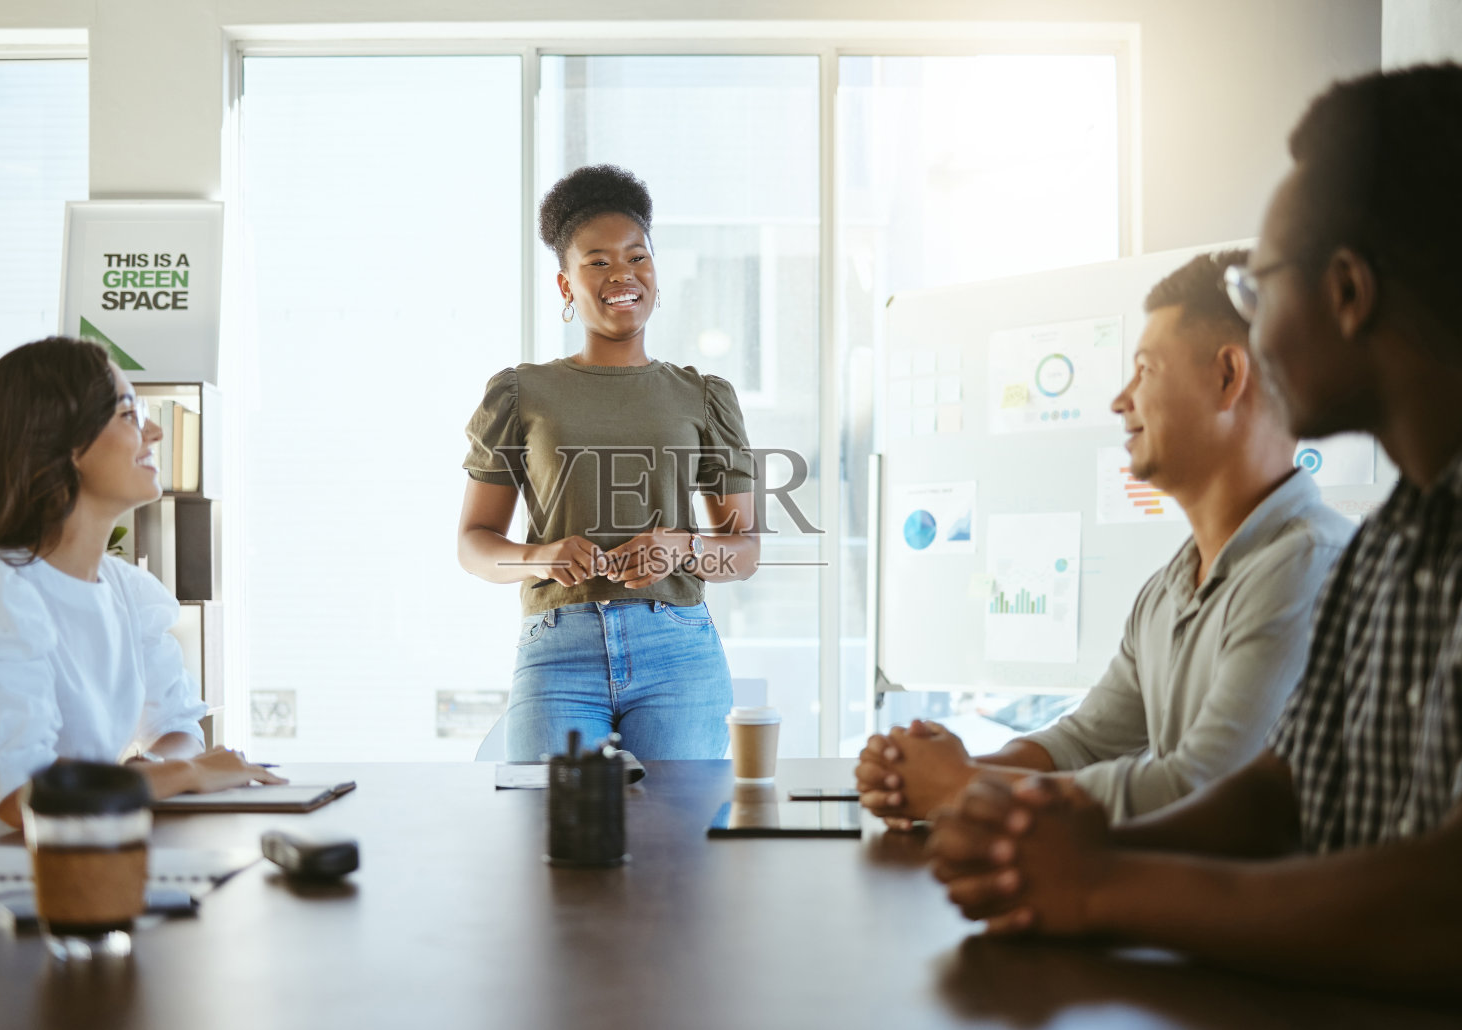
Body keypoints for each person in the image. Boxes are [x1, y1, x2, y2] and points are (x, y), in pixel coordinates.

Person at [926, 63, 1462, 996]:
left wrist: (1099, 882)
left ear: (1346, 292)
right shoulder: (1392, 545)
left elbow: (1443, 900)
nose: (1252, 341)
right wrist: (1058, 843)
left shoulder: (1326, 556)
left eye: (1259, 290)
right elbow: (1283, 793)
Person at [856, 251, 1352, 826]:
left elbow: (1200, 790)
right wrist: (932, 774)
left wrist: (962, 787)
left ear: (1227, 376)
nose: (1121, 400)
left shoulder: (1306, 567)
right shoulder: (1168, 590)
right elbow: (1083, 745)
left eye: (1146, 369)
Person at [0, 337, 282, 865]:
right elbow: (26, 798)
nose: (153, 431)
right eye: (129, 412)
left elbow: (179, 728)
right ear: (64, 444)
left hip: (68, 865)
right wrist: (178, 775)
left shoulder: (126, 592)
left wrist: (148, 771)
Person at [458, 164, 759, 761]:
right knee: (553, 836)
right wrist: (540, 555)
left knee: (676, 846)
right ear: (566, 285)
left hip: (678, 649)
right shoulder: (520, 392)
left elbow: (744, 550)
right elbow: (473, 544)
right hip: (558, 647)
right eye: (597, 261)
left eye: (637, 256)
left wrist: (682, 549)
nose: (622, 273)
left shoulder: (702, 396)